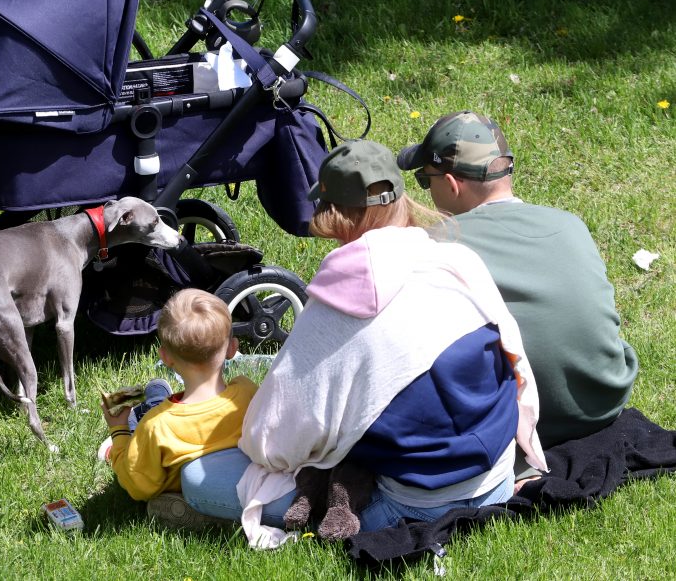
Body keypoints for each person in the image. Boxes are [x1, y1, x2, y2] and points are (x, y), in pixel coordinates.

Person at [181, 139, 548, 548]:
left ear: (334, 215)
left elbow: (273, 439)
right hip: (496, 476)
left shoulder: (340, 304)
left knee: (198, 478)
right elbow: (517, 366)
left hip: (412, 504)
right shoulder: (460, 262)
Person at [396, 111, 639, 463]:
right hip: (605, 399)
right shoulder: (570, 224)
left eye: (424, 179)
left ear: (451, 184)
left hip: (531, 422)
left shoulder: (437, 245)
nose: (425, 187)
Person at [100, 288, 258, 524]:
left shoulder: (157, 426)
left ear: (165, 356)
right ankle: (155, 393)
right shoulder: (246, 391)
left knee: (136, 418)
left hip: (170, 473)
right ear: (232, 349)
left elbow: (137, 486)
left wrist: (119, 431)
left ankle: (119, 438)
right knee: (154, 399)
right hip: (231, 480)